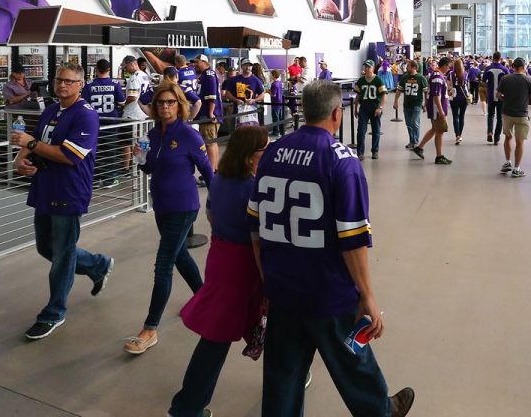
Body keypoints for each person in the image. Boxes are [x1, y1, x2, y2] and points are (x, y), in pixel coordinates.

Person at [247, 80, 416, 417]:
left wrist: (268, 279)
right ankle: (381, 411)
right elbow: (352, 238)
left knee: (282, 374)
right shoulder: (342, 161)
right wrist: (367, 295)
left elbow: (256, 226)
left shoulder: (272, 153)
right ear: (338, 113)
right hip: (327, 290)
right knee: (352, 359)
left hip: (282, 286)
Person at [168, 127, 269, 417]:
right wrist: (268, 279)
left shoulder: (221, 179)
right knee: (221, 338)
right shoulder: (255, 188)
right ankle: (186, 407)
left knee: (235, 330)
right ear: (251, 157)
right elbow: (258, 239)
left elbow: (211, 215)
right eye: (264, 150)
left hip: (221, 257)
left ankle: (286, 378)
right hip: (244, 267)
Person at [10, 65, 115, 340]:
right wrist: (21, 160)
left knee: (63, 255)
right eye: (59, 80)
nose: (63, 85)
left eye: (69, 82)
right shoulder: (51, 110)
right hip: (44, 188)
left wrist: (31, 146)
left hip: (69, 192)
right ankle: (97, 264)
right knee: (47, 248)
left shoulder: (86, 116)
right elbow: (35, 140)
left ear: (81, 85)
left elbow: (69, 156)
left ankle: (54, 313)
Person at [127, 82, 215, 354]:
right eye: (161, 103)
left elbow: (208, 171)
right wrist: (140, 158)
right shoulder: (153, 135)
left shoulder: (189, 135)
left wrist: (218, 204)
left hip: (184, 206)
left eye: (171, 102)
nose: (165, 107)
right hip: (162, 206)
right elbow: (151, 167)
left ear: (180, 105)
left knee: (163, 264)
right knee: (180, 256)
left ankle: (150, 328)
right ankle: (206, 300)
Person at [82, 59, 126, 188]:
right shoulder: (115, 84)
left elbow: (84, 103)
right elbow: (122, 102)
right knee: (110, 151)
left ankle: (94, 179)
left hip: (93, 122)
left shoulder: (89, 85)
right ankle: (109, 179)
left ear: (96, 69)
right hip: (112, 122)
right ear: (109, 70)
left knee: (94, 151)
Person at [495, 57, 531, 178]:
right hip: (522, 114)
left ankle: (508, 162)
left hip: (507, 113)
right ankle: (516, 169)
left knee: (508, 137)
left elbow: (498, 95)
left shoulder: (505, 78)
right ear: (524, 67)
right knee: (519, 142)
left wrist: (506, 100)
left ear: (513, 67)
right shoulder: (528, 79)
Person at [414, 57, 452, 164]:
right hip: (436, 110)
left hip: (437, 108)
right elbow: (436, 96)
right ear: (444, 65)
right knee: (440, 132)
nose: (449, 69)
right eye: (448, 67)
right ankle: (439, 156)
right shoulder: (437, 77)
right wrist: (441, 111)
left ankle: (419, 147)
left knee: (434, 129)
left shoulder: (438, 76)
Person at [353, 59, 389, 160]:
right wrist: (356, 109)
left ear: (373, 68)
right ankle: (360, 153)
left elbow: (384, 95)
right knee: (361, 130)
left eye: (369, 67)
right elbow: (358, 95)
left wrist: (380, 107)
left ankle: (375, 151)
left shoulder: (378, 80)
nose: (367, 68)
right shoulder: (361, 80)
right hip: (364, 107)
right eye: (366, 66)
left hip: (375, 107)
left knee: (376, 130)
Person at [196, 55, 222, 168]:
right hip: (211, 113)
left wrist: (211, 113)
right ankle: (214, 168)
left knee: (209, 143)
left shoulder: (208, 74)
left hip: (208, 114)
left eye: (197, 62)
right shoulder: (208, 74)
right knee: (213, 142)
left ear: (204, 62)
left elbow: (212, 95)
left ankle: (211, 171)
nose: (195, 64)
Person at [397, 61, 428, 150]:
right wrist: (395, 101)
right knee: (408, 123)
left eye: (408, 66)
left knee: (415, 122)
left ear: (414, 67)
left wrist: (425, 103)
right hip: (406, 104)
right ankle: (411, 140)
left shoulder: (421, 78)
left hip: (417, 104)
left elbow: (426, 91)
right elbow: (399, 90)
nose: (406, 68)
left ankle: (415, 141)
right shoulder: (404, 78)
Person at [482, 53, 509, 144]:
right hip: (501, 96)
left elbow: (484, 82)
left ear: (493, 58)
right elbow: (508, 82)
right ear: (500, 58)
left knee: (490, 115)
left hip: (490, 95)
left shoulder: (488, 68)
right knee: (500, 117)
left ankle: (490, 132)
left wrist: (487, 92)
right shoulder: (505, 69)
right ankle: (496, 139)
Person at [448, 58, 469, 146]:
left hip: (454, 97)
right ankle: (460, 134)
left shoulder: (450, 74)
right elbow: (467, 86)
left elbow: (449, 86)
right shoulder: (465, 74)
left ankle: (457, 135)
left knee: (455, 116)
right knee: (462, 116)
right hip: (464, 97)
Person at [269, 69, 286, 137]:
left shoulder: (274, 84)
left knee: (275, 117)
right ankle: (281, 131)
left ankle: (276, 131)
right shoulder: (279, 83)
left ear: (273, 75)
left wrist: (268, 91)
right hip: (280, 101)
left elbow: (273, 94)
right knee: (280, 116)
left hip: (275, 102)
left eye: (271, 75)